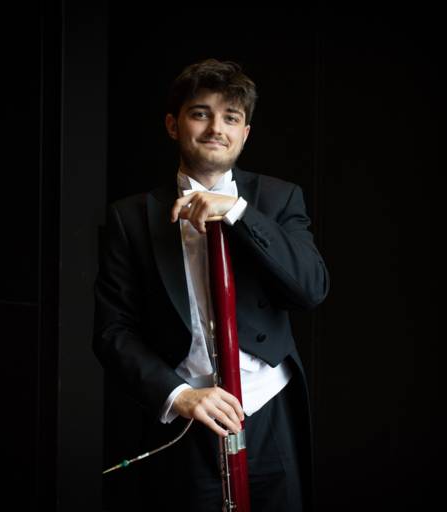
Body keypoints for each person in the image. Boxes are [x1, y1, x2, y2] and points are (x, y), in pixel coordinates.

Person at [92, 58, 329, 511]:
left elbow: (311, 288)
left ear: (245, 134)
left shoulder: (280, 199)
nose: (215, 127)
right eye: (200, 113)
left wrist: (238, 213)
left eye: (231, 117)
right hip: (187, 416)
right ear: (173, 124)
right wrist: (179, 395)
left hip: (269, 408)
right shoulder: (129, 217)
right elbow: (112, 331)